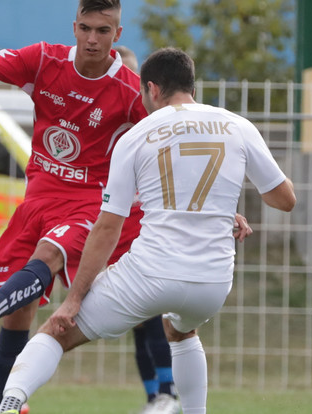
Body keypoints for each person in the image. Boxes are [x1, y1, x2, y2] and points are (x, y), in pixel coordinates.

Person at [0, 1, 250, 410]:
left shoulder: (129, 89)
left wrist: (219, 207)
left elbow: (175, 145)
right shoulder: (44, 60)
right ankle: (9, 403)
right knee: (19, 317)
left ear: (117, 35)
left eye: (103, 31)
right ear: (74, 27)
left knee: (48, 256)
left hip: (89, 204)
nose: (92, 39)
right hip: (38, 197)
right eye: (85, 28)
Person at [0, 47, 297, 414]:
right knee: (181, 331)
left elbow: (107, 227)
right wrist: (224, 205)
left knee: (56, 333)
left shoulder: (135, 137)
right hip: (212, 282)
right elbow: (285, 200)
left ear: (152, 89)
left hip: (149, 275)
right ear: (192, 85)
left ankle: (10, 402)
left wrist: (74, 299)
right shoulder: (236, 125)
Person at [116, 44, 179, 414]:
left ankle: (168, 392)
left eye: (134, 76)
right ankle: (155, 395)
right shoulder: (114, 125)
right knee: (138, 320)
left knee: (156, 310)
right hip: (118, 225)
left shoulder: (161, 125)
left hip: (152, 226)